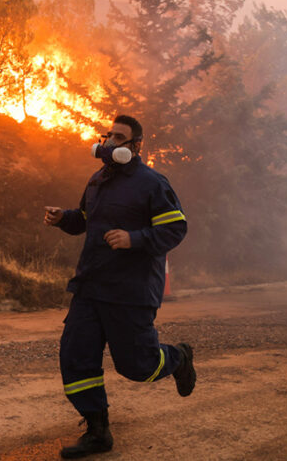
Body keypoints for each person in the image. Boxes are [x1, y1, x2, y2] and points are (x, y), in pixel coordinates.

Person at [43, 115, 195, 459]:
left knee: (138, 366)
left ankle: (179, 357)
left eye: (119, 137)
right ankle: (98, 431)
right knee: (75, 357)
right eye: (108, 135)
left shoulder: (152, 183)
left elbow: (176, 229)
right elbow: (84, 220)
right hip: (90, 286)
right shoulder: (97, 180)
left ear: (136, 146)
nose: (110, 141)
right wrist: (62, 218)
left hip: (131, 291)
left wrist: (134, 238)